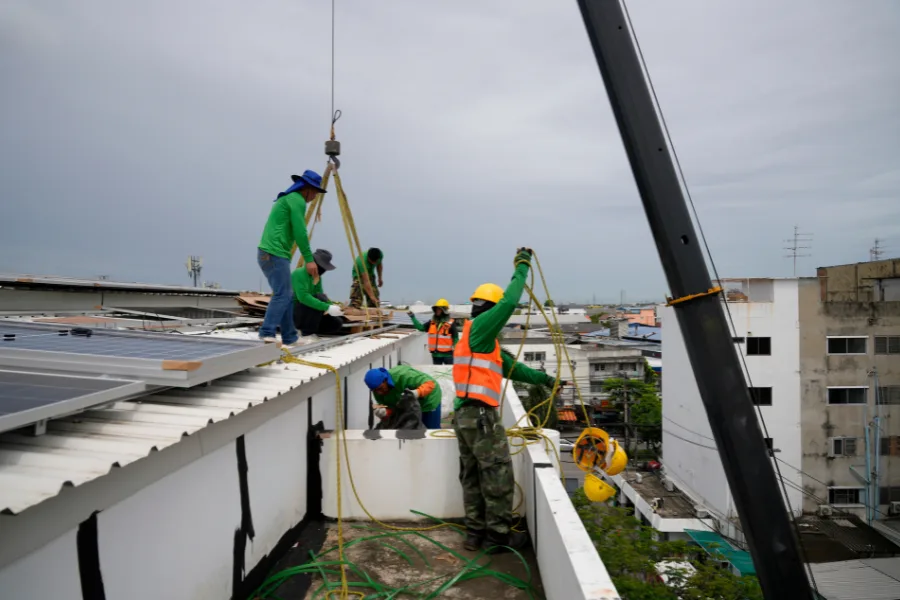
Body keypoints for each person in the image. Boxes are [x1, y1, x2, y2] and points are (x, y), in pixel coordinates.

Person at [453, 248, 567, 554]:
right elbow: (509, 302)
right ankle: (499, 538)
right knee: (498, 474)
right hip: (480, 416)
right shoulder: (480, 329)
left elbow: (515, 368)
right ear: (487, 309)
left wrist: (547, 381)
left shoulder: (475, 339)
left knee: (473, 475)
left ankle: (475, 534)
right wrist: (522, 267)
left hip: (464, 417)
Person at [257, 170, 327, 345]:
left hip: (270, 253)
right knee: (282, 294)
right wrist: (309, 259)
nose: (314, 198)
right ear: (308, 189)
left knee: (287, 295)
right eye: (315, 193)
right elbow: (300, 231)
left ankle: (290, 336)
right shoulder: (297, 200)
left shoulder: (287, 199)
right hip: (274, 253)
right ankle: (267, 332)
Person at [291, 248, 345, 343]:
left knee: (336, 323)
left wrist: (333, 307)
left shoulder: (317, 278)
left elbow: (321, 295)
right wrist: (327, 307)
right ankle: (306, 333)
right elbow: (303, 297)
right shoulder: (298, 274)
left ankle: (312, 330)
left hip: (308, 314)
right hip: (294, 313)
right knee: (315, 299)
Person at [364, 366, 443, 430]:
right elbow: (390, 409)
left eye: (380, 388)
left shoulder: (403, 375)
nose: (379, 392)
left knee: (431, 431)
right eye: (375, 390)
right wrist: (385, 412)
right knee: (414, 430)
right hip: (409, 407)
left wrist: (417, 393)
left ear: (385, 380)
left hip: (428, 400)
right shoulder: (377, 391)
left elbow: (430, 384)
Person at [408, 299, 460, 365]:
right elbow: (421, 328)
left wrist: (457, 349)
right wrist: (413, 317)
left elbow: (455, 338)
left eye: (439, 309)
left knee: (449, 374)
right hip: (436, 355)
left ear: (444, 310)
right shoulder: (431, 322)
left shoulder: (451, 323)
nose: (437, 311)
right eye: (436, 309)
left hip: (448, 355)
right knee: (437, 373)